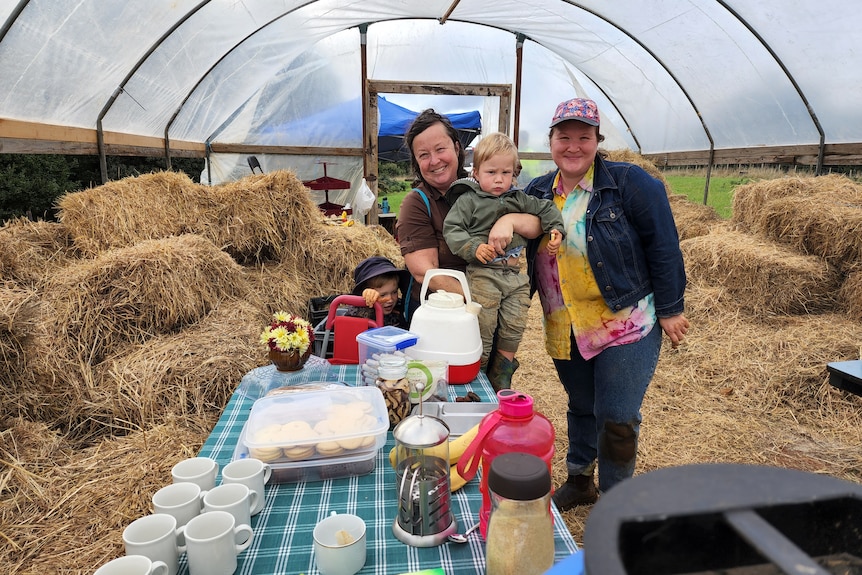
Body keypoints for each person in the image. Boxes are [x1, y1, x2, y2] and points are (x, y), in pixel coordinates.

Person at [523, 98, 690, 510]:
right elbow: (519, 252)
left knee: (616, 414)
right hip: (565, 322)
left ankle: (616, 500)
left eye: (584, 137)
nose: (574, 146)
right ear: (551, 142)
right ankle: (580, 480)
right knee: (581, 405)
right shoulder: (537, 192)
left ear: (598, 140)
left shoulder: (629, 183)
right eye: (565, 137)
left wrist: (670, 308)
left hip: (624, 321)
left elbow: (664, 246)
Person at [442, 132, 565, 391]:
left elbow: (546, 209)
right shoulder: (468, 200)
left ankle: (501, 377)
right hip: (484, 274)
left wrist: (556, 229)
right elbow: (453, 230)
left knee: (514, 325)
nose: (499, 179)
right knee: (483, 327)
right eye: (491, 172)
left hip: (515, 277)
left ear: (514, 174)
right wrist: (474, 247)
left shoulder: (519, 199)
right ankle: (477, 377)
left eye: (506, 173)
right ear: (475, 172)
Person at [396, 109, 543, 322]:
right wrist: (482, 301)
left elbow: (537, 224)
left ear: (457, 147)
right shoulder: (417, 203)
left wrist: (509, 220)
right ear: (417, 162)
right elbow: (425, 272)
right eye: (424, 155)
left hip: (495, 303)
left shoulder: (486, 182)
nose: (435, 160)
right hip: (445, 315)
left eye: (440, 149)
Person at [344, 256, 410, 328]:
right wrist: (365, 301)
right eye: (382, 295)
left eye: (394, 292)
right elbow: (352, 319)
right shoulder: (359, 310)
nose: (390, 299)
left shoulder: (399, 308)